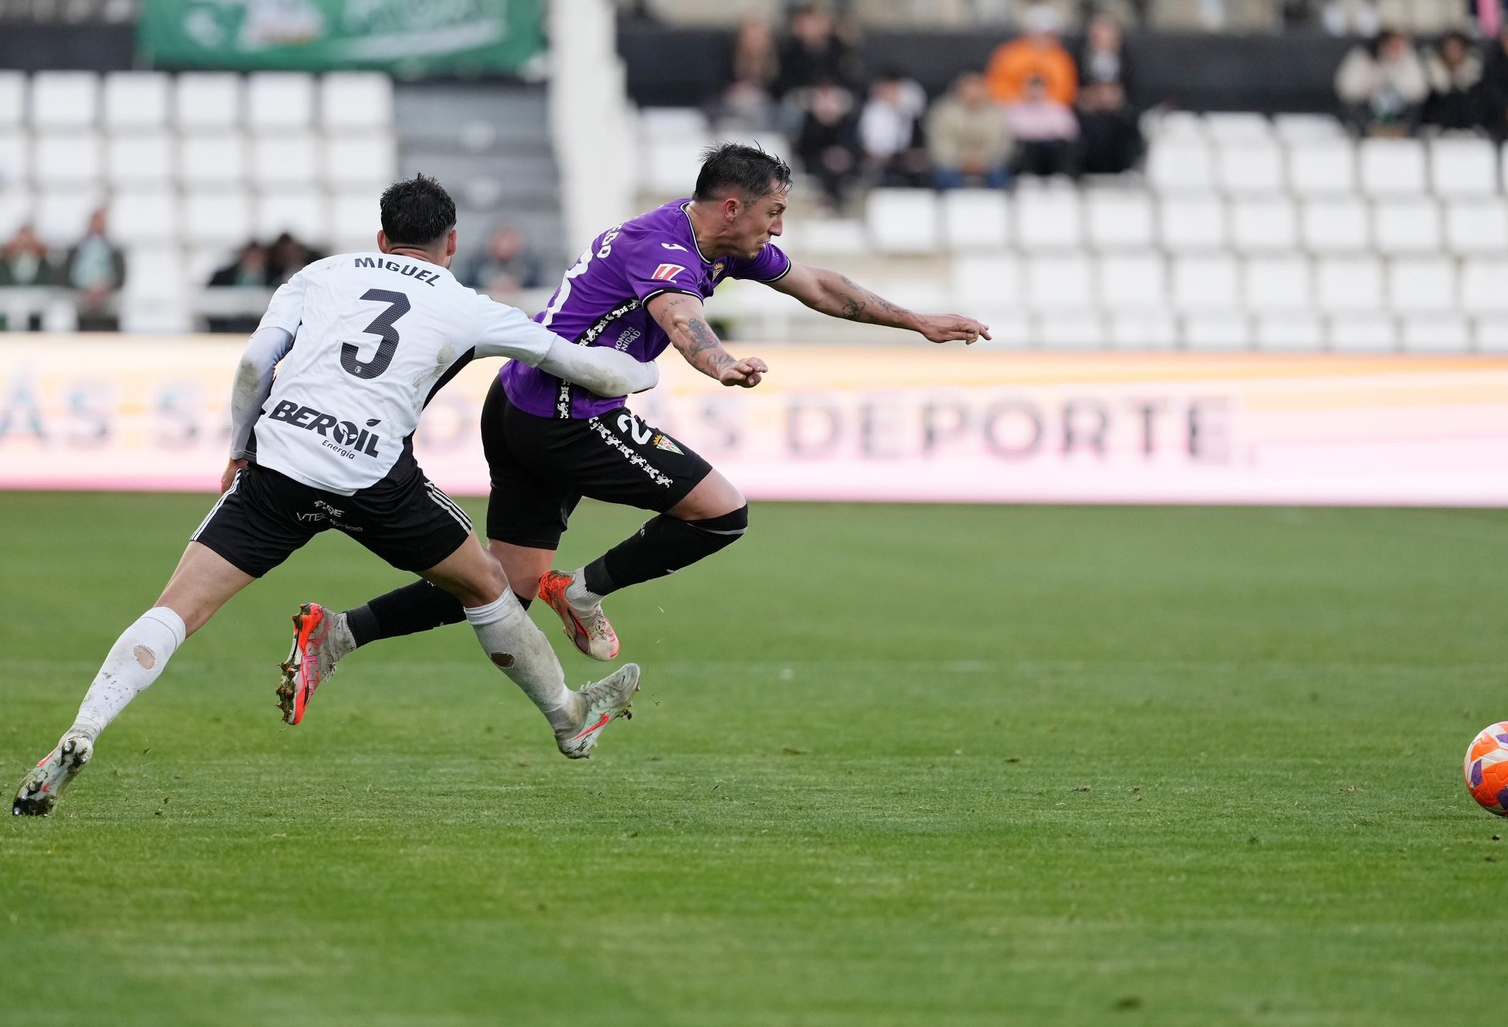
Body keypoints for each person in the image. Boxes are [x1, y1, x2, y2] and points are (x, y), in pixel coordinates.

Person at [10, 175, 663, 817]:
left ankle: (85, 728)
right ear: (452, 242)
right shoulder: (468, 304)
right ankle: (568, 717)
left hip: (281, 463)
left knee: (177, 610)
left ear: (381, 237)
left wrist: (240, 446)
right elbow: (570, 361)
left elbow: (252, 364)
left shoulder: (321, 274)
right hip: (374, 478)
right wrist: (646, 370)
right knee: (490, 585)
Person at [276, 144, 991, 723]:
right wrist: (718, 362)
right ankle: (582, 591)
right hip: (562, 415)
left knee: (503, 589)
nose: (779, 228)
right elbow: (680, 316)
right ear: (733, 206)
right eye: (773, 212)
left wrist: (918, 322)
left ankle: (336, 634)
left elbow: (819, 286)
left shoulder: (726, 246)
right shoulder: (660, 244)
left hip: (526, 405)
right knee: (721, 513)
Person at [1074, 12, 1143, 174]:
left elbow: (1130, 84)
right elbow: (1075, 83)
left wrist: (1115, 96)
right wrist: (1090, 96)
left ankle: (1123, 168)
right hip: (1087, 108)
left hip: (1117, 110)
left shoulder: (1126, 57)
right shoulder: (1080, 54)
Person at [1333, 28, 1428, 137]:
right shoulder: (1362, 56)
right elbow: (1346, 89)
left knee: (1414, 109)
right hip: (1368, 108)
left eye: (1399, 43)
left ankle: (1400, 132)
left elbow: (1420, 91)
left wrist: (1395, 79)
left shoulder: (1409, 57)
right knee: (1354, 108)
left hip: (1399, 110)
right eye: (1392, 43)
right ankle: (1370, 132)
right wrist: (1373, 86)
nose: (1396, 47)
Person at [926, 72, 1013, 189]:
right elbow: (938, 142)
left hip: (987, 163)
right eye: (969, 87)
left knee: (1000, 177)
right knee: (944, 177)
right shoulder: (944, 111)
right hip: (952, 163)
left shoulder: (996, 112)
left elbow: (1002, 143)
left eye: (976, 87)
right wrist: (961, 159)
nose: (973, 92)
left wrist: (982, 159)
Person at [985, 5, 1078, 107]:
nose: (1043, 39)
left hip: (1051, 112)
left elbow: (1066, 90)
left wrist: (1044, 103)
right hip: (1012, 109)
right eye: (1040, 34)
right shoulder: (1009, 54)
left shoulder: (1061, 59)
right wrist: (1018, 101)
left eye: (1049, 35)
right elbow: (997, 85)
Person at [794, 75, 860, 208]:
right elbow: (803, 146)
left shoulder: (848, 120)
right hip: (814, 159)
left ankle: (837, 204)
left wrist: (840, 153)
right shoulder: (809, 119)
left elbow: (854, 144)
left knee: (840, 167)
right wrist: (820, 121)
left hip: (842, 160)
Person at [857, 70, 930, 188]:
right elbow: (868, 140)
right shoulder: (874, 110)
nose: (890, 92)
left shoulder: (912, 111)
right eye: (887, 88)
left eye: (893, 88)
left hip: (907, 155)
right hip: (881, 157)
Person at [1006, 75, 1082, 178]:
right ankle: (1027, 176)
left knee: (1061, 146)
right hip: (1028, 153)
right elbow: (1013, 132)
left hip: (1052, 152)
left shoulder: (1058, 109)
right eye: (1032, 88)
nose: (1035, 92)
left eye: (1038, 88)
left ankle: (1061, 177)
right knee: (1025, 147)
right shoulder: (1015, 110)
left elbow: (1070, 133)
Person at [61, 208, 125, 327]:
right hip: (82, 293)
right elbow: (67, 274)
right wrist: (86, 289)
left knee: (114, 304)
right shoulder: (77, 248)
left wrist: (103, 289)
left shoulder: (114, 248)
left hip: (107, 293)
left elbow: (120, 277)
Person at [1422, 30, 1487, 134]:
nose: (1453, 52)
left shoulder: (1473, 71)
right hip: (1441, 128)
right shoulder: (1435, 70)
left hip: (1469, 129)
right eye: (1449, 48)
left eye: (1456, 48)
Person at [462, 224, 543, 295]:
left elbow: (539, 291)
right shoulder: (476, 266)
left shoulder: (530, 267)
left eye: (510, 239)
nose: (505, 245)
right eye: (502, 238)